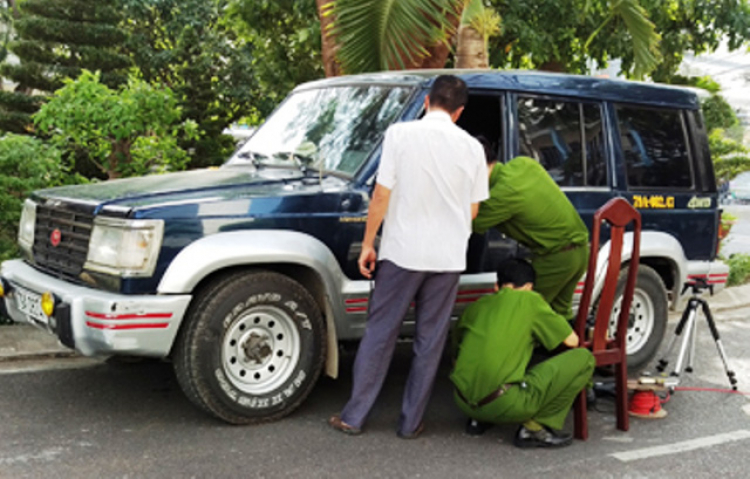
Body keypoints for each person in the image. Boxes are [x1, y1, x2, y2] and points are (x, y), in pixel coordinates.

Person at [328, 75, 489, 439]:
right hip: (447, 258)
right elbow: (474, 210)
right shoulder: (472, 148)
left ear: (427, 101)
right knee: (430, 341)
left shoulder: (400, 135)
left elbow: (381, 195)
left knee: (380, 334)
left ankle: (354, 417)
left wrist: (369, 243)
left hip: (402, 251)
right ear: (459, 112)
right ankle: (411, 422)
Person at [451, 258, 594, 448]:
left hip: (462, 401)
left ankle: (477, 421)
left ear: (497, 286)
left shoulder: (477, 306)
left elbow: (457, 345)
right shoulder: (531, 301)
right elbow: (572, 341)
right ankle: (533, 429)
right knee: (584, 359)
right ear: (529, 286)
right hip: (503, 405)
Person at [473, 155, 589, 321]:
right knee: (558, 314)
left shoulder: (504, 192)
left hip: (556, 258)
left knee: (522, 315)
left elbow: (473, 221)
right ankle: (567, 346)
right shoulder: (523, 163)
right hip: (581, 252)